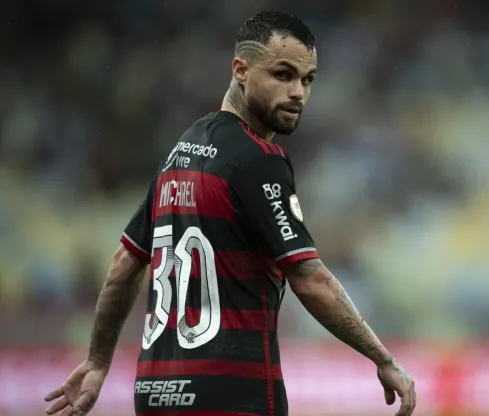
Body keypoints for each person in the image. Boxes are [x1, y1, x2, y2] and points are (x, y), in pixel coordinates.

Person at [44, 11, 416, 416]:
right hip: (231, 394)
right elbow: (310, 278)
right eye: (283, 75)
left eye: (307, 80)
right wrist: (382, 358)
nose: (298, 93)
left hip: (155, 394)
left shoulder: (180, 152)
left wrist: (98, 361)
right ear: (240, 70)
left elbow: (123, 264)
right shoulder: (257, 159)